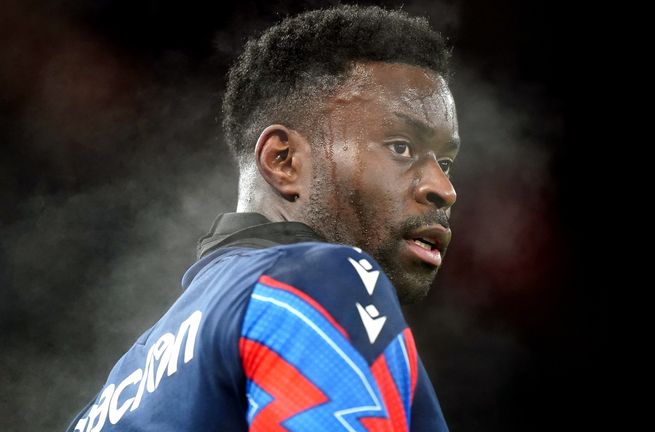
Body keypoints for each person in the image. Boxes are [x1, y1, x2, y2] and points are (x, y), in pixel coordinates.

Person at [67, 5, 459, 431]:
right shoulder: (318, 279)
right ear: (283, 160)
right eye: (401, 146)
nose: (444, 188)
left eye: (446, 162)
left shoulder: (112, 395)